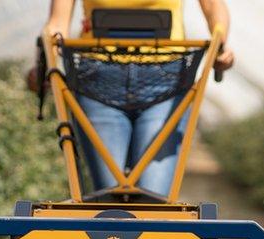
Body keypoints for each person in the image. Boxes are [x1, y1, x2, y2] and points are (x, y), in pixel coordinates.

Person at [33, 0, 234, 197]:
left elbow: (212, 6)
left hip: (166, 79)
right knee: (108, 195)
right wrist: (45, 60)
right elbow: (57, 23)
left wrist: (220, 39)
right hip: (98, 79)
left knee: (154, 197)